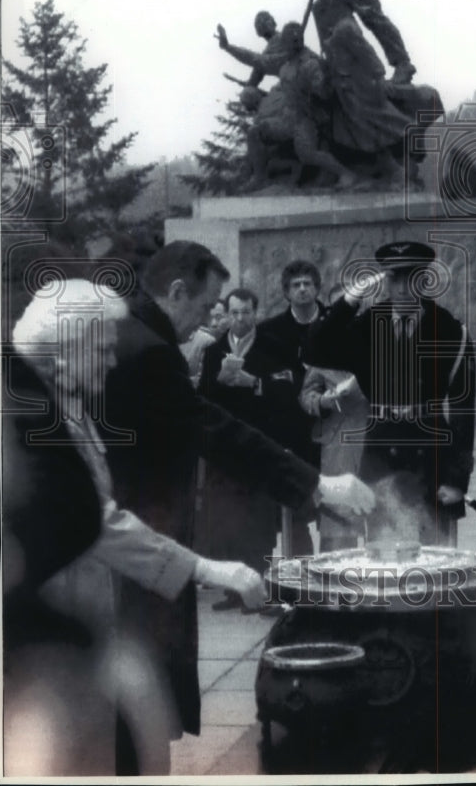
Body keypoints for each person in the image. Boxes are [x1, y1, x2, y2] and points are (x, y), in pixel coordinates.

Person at [103, 241, 374, 744]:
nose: (211, 322)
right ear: (177, 292)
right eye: (208, 307)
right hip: (137, 544)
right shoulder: (148, 349)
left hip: (134, 542)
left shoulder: (132, 332)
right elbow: (213, 428)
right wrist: (317, 483)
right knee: (138, 710)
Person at [3, 279, 267, 775]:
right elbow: (98, 522)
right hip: (43, 651)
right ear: (66, 350)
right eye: (102, 350)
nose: (110, 362)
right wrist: (206, 568)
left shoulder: (63, 403)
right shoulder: (26, 418)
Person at [305, 241, 476, 546]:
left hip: (431, 451)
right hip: (381, 451)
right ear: (385, 281)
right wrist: (348, 301)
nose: (403, 288)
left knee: (434, 553)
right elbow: (314, 349)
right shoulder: (368, 324)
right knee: (382, 549)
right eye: (395, 278)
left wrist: (457, 479)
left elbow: (463, 410)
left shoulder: (450, 330)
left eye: (411, 277)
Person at [197, 288, 291, 581]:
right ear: (226, 314)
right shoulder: (214, 351)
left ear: (255, 312)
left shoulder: (273, 345)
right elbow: (202, 398)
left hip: (260, 441)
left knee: (259, 520)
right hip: (226, 446)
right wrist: (219, 381)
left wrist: (255, 383)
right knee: (226, 519)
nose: (239, 319)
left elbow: (288, 389)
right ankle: (234, 588)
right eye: (234, 313)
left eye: (246, 312)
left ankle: (260, 582)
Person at [256, 259, 329, 555]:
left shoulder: (338, 323)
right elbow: (266, 382)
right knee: (294, 513)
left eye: (307, 284)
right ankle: (303, 572)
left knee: (336, 514)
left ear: (317, 288)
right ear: (286, 292)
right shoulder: (269, 331)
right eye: (295, 285)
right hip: (291, 433)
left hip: (331, 428)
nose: (302, 290)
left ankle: (337, 573)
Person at [299, 284, 370, 551]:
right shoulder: (323, 350)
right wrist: (323, 401)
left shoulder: (377, 342)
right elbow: (306, 395)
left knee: (382, 515)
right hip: (339, 441)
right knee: (339, 521)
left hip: (375, 437)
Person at [276, 21, 358, 188]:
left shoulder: (310, 64)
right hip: (287, 117)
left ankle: (345, 173)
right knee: (258, 132)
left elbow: (323, 92)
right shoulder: (284, 67)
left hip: (306, 117)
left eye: (296, 38)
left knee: (307, 153)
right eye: (290, 38)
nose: (294, 41)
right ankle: (263, 177)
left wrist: (323, 82)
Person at [215, 10, 287, 88]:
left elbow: (259, 61)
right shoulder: (268, 51)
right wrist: (242, 83)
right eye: (260, 23)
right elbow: (253, 81)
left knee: (259, 60)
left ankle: (226, 46)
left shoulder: (285, 37)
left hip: (294, 78)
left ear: (273, 22)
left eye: (266, 20)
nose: (265, 24)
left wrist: (228, 47)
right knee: (249, 93)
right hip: (287, 84)